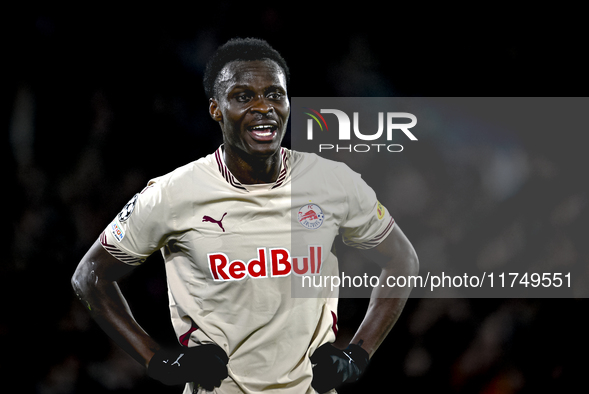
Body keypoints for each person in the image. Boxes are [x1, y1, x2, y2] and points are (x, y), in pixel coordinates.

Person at [71, 37, 419, 393]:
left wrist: (357, 355)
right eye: (243, 96)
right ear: (215, 109)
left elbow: (402, 259)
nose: (262, 107)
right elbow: (89, 277)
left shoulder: (334, 182)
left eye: (274, 94)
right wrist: (158, 360)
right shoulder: (172, 193)